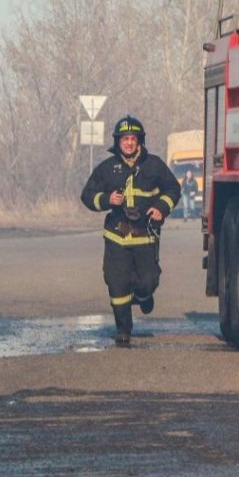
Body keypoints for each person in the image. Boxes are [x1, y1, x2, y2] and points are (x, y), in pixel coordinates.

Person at [81, 116, 181, 346]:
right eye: (124, 139)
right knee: (117, 284)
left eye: (132, 139)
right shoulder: (106, 168)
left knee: (148, 280)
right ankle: (123, 329)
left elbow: (173, 188)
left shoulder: (154, 165)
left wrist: (161, 207)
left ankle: (144, 296)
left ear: (139, 141)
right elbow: (87, 195)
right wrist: (107, 199)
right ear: (117, 142)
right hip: (116, 235)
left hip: (144, 235)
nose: (128, 143)